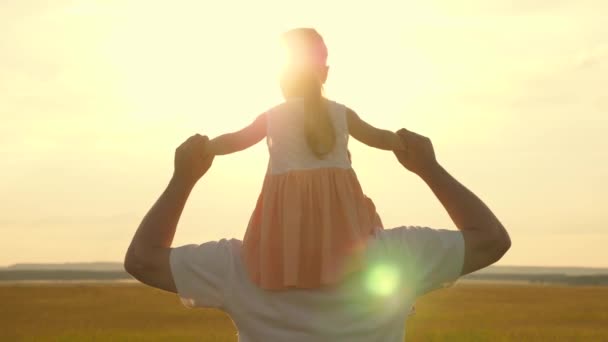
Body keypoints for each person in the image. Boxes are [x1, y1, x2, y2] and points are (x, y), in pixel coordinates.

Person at [124, 129, 511, 342]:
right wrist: (430, 169)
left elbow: (142, 259)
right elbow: (491, 239)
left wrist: (183, 179)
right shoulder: (399, 257)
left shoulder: (237, 267)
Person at [205, 28, 404, 289]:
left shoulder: (272, 116)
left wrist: (205, 147)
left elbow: (235, 140)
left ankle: (296, 280)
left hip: (288, 223)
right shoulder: (341, 113)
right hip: (342, 223)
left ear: (282, 76)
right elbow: (379, 137)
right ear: (325, 73)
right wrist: (404, 142)